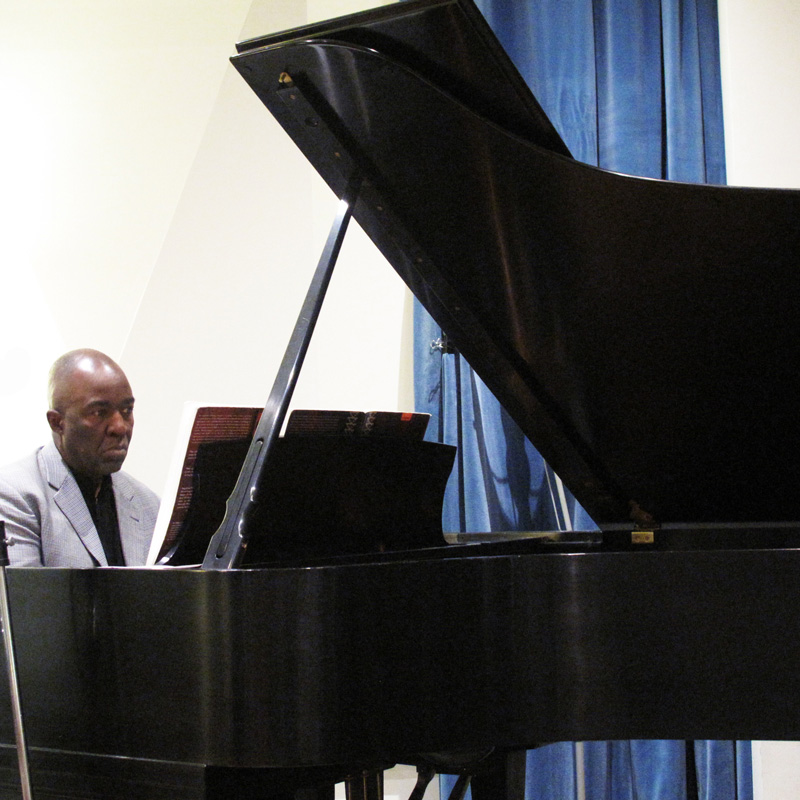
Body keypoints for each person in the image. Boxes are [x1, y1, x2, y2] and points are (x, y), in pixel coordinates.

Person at [0, 349, 159, 567]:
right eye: (98, 413)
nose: (120, 427)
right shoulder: (14, 496)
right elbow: (22, 598)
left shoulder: (148, 504)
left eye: (127, 410)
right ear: (57, 422)